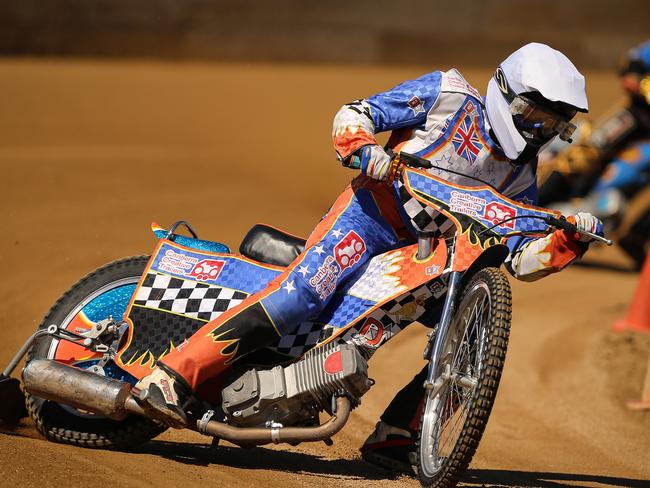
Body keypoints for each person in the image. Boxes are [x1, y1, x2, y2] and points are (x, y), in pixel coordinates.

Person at [133, 44, 604, 465]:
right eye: (533, 114)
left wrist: (569, 239)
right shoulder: (448, 96)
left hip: (426, 256)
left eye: (554, 124)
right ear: (506, 93)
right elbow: (356, 113)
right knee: (302, 295)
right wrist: (364, 148)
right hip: (368, 219)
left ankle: (397, 434)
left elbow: (521, 260)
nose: (540, 130)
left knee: (472, 336)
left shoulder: (523, 175)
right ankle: (171, 376)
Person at [537, 40, 650, 267]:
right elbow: (634, 62)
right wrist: (636, 78)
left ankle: (637, 235)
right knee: (585, 152)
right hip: (639, 116)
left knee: (622, 185)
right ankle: (536, 206)